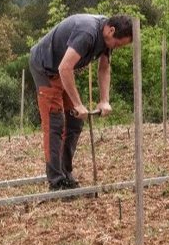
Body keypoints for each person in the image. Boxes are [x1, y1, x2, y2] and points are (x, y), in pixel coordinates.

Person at [29, 14, 133, 191]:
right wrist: (78, 104)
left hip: (63, 71)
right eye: (117, 44)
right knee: (55, 122)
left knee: (75, 120)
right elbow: (64, 67)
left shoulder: (107, 38)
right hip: (45, 67)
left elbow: (104, 68)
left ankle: (66, 172)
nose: (116, 47)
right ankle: (56, 181)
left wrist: (104, 100)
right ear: (111, 30)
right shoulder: (87, 32)